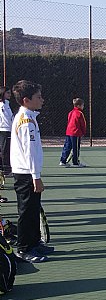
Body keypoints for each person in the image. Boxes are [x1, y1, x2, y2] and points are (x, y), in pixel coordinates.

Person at [10, 80, 53, 262]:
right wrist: (36, 177)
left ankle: (34, 243)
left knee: (34, 209)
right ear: (26, 100)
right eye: (38, 97)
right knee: (26, 211)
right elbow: (30, 152)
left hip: (29, 173)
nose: (42, 100)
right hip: (26, 174)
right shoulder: (26, 121)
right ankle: (24, 248)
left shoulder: (29, 116)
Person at [59, 98, 87, 168]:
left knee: (67, 146)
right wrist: (83, 132)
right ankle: (75, 162)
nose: (83, 107)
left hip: (69, 132)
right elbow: (83, 124)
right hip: (76, 133)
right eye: (82, 105)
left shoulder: (70, 112)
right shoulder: (80, 113)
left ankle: (63, 161)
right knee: (76, 148)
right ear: (78, 105)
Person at [0, 86, 14, 177]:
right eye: (8, 93)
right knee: (5, 150)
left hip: (7, 130)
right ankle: (5, 170)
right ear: (3, 94)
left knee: (6, 149)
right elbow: (6, 119)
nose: (10, 94)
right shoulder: (2, 105)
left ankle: (5, 169)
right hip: (5, 130)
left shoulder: (6, 104)